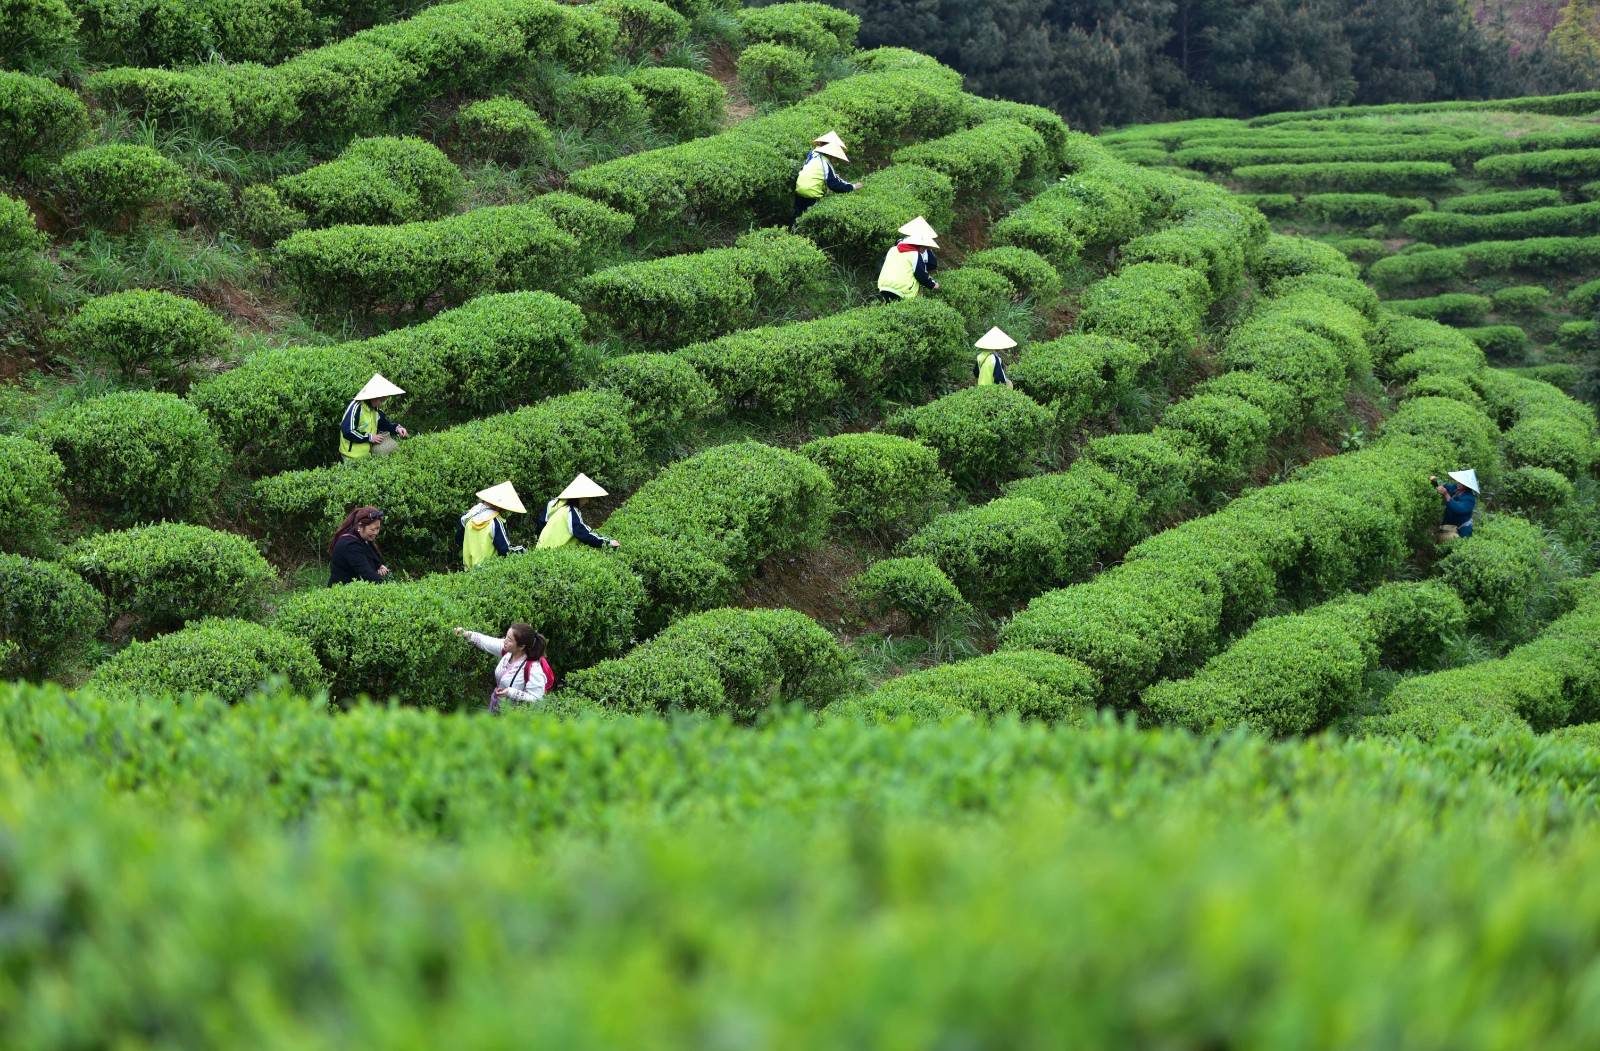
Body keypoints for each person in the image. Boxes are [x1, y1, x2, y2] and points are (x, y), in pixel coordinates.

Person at [451, 622, 551, 712]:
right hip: (497, 708)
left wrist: (511, 692)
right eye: (506, 636)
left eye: (509, 639)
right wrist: (466, 634)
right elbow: (486, 641)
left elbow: (537, 699)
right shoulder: (508, 650)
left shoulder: (533, 668)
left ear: (521, 646)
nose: (504, 641)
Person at [536, 473, 619, 550]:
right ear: (579, 497)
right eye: (586, 497)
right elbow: (583, 533)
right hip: (555, 554)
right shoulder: (570, 511)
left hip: (541, 550)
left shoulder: (556, 506)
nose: (587, 501)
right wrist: (608, 543)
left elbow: (541, 523)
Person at [340, 374, 409, 461]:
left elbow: (384, 424)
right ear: (372, 397)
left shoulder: (374, 409)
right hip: (351, 456)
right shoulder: (356, 407)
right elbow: (347, 431)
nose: (381, 403)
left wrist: (397, 428)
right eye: (381, 400)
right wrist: (370, 437)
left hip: (367, 455)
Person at [458, 481, 526, 569]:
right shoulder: (495, 521)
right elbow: (505, 550)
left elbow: (459, 539)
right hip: (489, 571)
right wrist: (521, 550)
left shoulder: (468, 516)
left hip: (468, 571)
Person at [794, 131, 859, 223]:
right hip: (812, 195)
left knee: (797, 216)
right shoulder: (825, 163)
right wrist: (853, 187)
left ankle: (791, 232)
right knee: (808, 220)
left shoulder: (812, 154)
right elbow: (835, 185)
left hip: (799, 189)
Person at [876, 216, 939, 302]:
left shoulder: (893, 249)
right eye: (925, 247)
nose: (925, 250)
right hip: (902, 290)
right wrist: (932, 284)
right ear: (918, 244)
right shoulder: (915, 254)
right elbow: (920, 274)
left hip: (883, 286)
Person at [327, 505, 389, 585]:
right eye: (372, 529)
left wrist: (379, 566)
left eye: (378, 528)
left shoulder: (362, 537)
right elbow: (367, 574)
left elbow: (370, 556)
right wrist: (390, 589)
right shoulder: (350, 545)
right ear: (360, 526)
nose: (376, 533)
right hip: (342, 592)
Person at [1431, 469, 1479, 540]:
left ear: (1467, 485)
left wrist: (1446, 494)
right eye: (1459, 481)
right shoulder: (1455, 488)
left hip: (1462, 531)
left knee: (1456, 548)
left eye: (1462, 482)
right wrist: (1434, 481)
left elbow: (1458, 508)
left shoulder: (1470, 498)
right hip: (1448, 527)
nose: (1459, 483)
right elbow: (1444, 486)